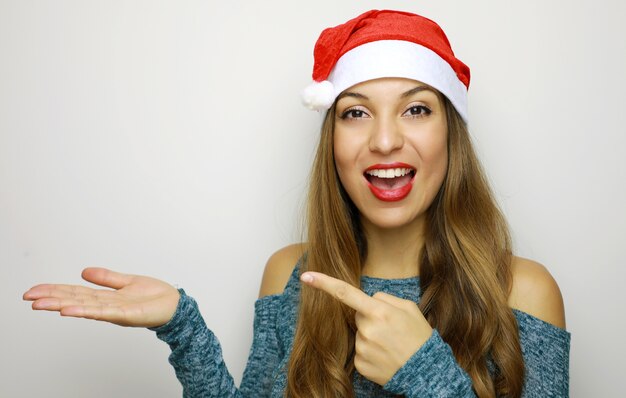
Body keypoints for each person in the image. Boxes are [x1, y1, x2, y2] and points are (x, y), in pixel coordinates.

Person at [22, 9, 569, 398]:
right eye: (355, 112)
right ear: (332, 142)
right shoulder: (290, 276)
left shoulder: (523, 292)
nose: (383, 141)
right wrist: (182, 326)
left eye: (416, 109)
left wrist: (424, 371)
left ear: (452, 133)